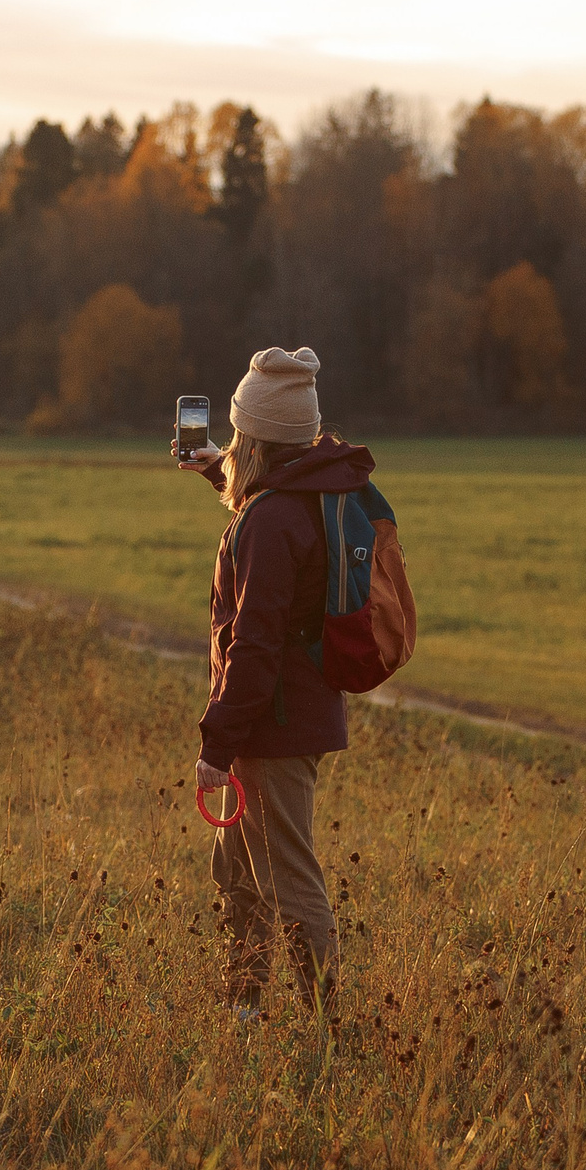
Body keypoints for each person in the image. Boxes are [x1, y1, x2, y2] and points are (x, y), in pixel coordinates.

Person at [179, 346, 377, 1016]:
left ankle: (329, 1027)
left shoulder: (269, 520)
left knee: (289, 882)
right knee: (238, 872)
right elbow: (273, 525)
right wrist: (218, 473)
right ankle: (245, 1008)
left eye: (238, 434)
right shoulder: (307, 493)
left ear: (255, 437)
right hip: (284, 716)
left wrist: (217, 743)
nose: (232, 443)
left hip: (276, 725)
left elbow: (255, 645)